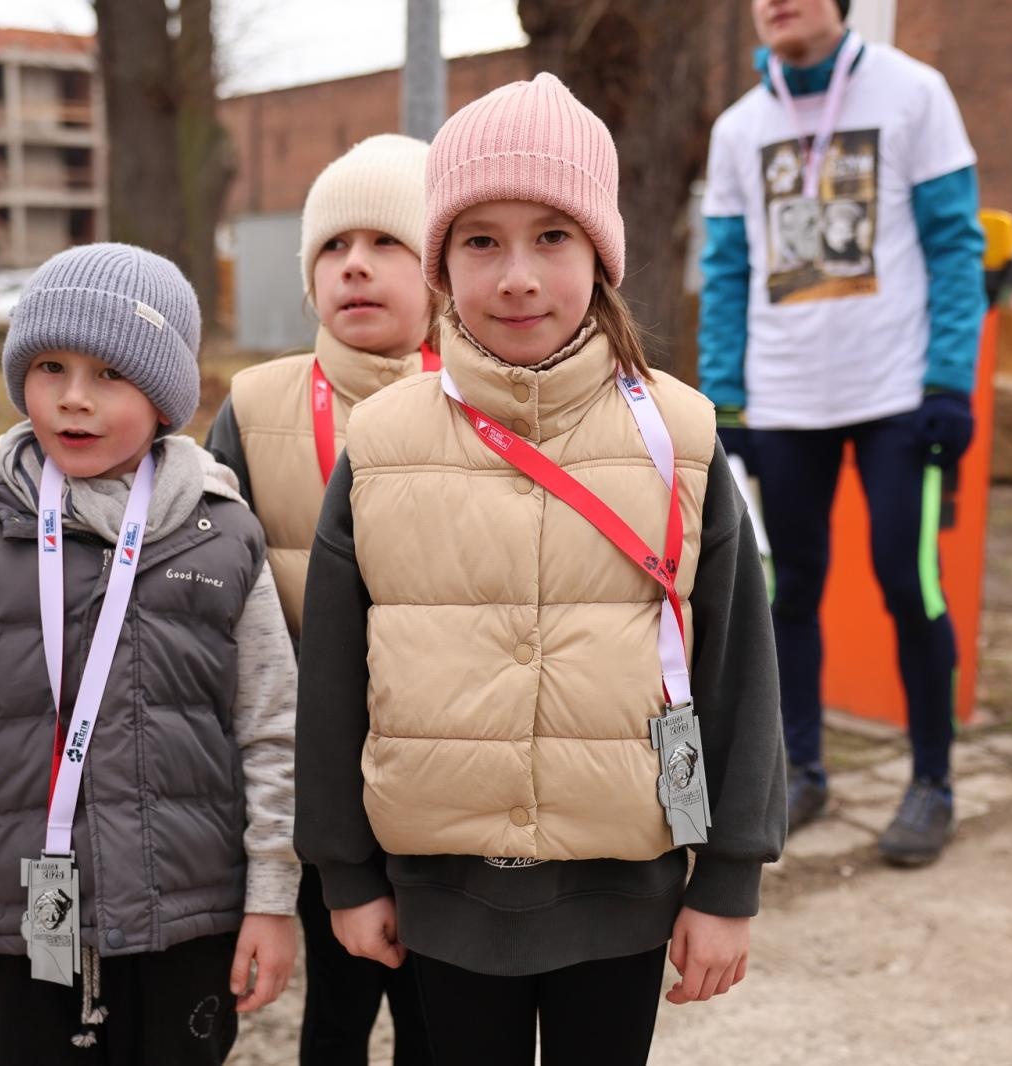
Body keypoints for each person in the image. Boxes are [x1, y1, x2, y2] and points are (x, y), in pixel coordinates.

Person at [295, 74, 785, 1066]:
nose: (516, 274)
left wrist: (728, 877)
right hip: (443, 899)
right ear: (442, 261)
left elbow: (739, 666)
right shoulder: (383, 442)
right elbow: (335, 679)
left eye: (551, 237)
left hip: (624, 894)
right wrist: (345, 870)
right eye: (480, 240)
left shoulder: (682, 439)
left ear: (600, 255)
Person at [0, 244, 300, 1063]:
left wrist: (272, 898)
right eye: (49, 366)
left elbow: (271, 730)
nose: (74, 399)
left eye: (111, 374)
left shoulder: (226, 537)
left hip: (191, 915)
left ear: (166, 396)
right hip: (30, 920)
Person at [698, 0, 987, 865]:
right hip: (785, 402)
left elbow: (956, 247)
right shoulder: (737, 129)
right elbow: (724, 267)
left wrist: (948, 381)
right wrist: (725, 399)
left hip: (898, 393)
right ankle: (805, 770)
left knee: (910, 584)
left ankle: (932, 782)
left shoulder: (914, 93)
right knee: (789, 592)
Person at [205, 133, 435, 1066]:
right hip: (318, 780)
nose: (356, 266)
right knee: (335, 1014)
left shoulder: (487, 401)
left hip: (440, 777)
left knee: (439, 1014)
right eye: (334, 250)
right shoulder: (255, 407)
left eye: (388, 244)